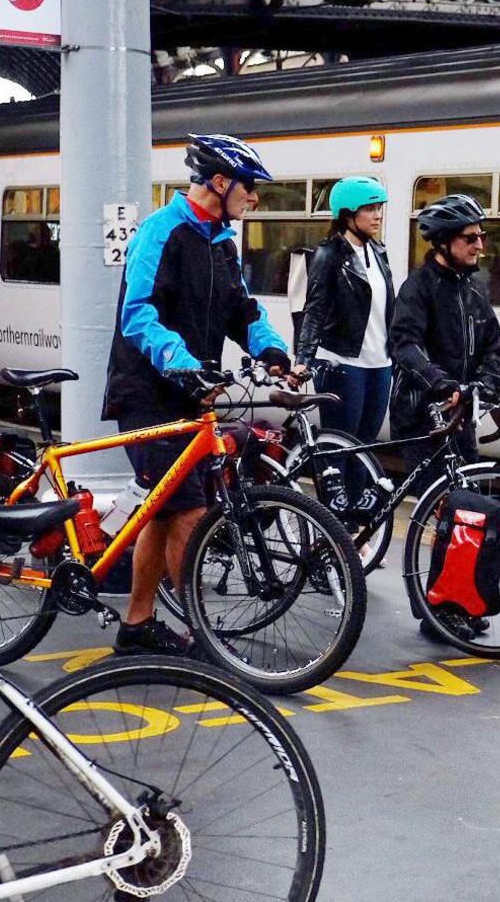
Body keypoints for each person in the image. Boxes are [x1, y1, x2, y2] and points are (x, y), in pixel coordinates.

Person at [101, 132, 301, 655]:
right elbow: (138, 314)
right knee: (188, 513)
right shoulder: (159, 232)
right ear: (219, 182)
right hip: (147, 391)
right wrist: (184, 365)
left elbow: (242, 311)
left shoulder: (220, 242)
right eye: (250, 188)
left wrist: (274, 353)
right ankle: (203, 634)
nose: (254, 198)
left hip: (191, 394)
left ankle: (137, 624)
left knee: (165, 510)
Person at [294, 177, 394, 509]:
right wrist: (303, 358)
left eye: (379, 207)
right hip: (342, 364)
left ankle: (354, 527)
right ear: (348, 214)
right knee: (340, 448)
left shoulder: (379, 251)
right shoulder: (329, 254)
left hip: (379, 365)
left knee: (365, 449)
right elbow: (315, 309)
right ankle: (336, 524)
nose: (377, 215)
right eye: (369, 208)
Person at [388, 194, 500, 466]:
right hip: (422, 414)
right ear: (444, 241)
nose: (479, 245)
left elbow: (492, 344)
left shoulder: (474, 287)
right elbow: (405, 345)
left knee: (466, 498)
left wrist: (487, 383)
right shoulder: (418, 287)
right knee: (438, 500)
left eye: (481, 236)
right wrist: (442, 385)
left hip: (459, 414)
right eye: (470, 238)